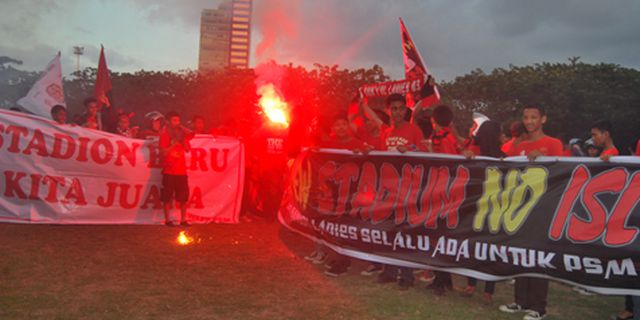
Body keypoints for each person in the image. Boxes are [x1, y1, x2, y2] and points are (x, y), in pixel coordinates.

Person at [500, 104, 562, 320]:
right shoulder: (519, 145)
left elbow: (561, 172)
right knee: (520, 254)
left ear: (543, 119)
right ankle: (520, 300)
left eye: (534, 117)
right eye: (526, 117)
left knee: (538, 256)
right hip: (519, 208)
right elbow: (503, 166)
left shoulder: (553, 144)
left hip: (542, 208)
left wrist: (543, 160)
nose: (529, 121)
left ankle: (538, 307)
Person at [460, 120, 504, 304]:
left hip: (477, 209)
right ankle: (488, 291)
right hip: (494, 209)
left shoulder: (503, 158)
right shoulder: (499, 157)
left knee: (476, 247)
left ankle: (472, 284)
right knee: (490, 249)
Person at [159, 111, 193, 227]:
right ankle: (167, 219)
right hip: (169, 170)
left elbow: (188, 149)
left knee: (183, 197)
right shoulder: (164, 135)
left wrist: (183, 140)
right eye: (174, 120)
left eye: (178, 120)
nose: (177, 123)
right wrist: (173, 143)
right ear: (168, 122)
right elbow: (163, 152)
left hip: (181, 171)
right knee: (167, 197)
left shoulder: (182, 135)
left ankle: (183, 219)